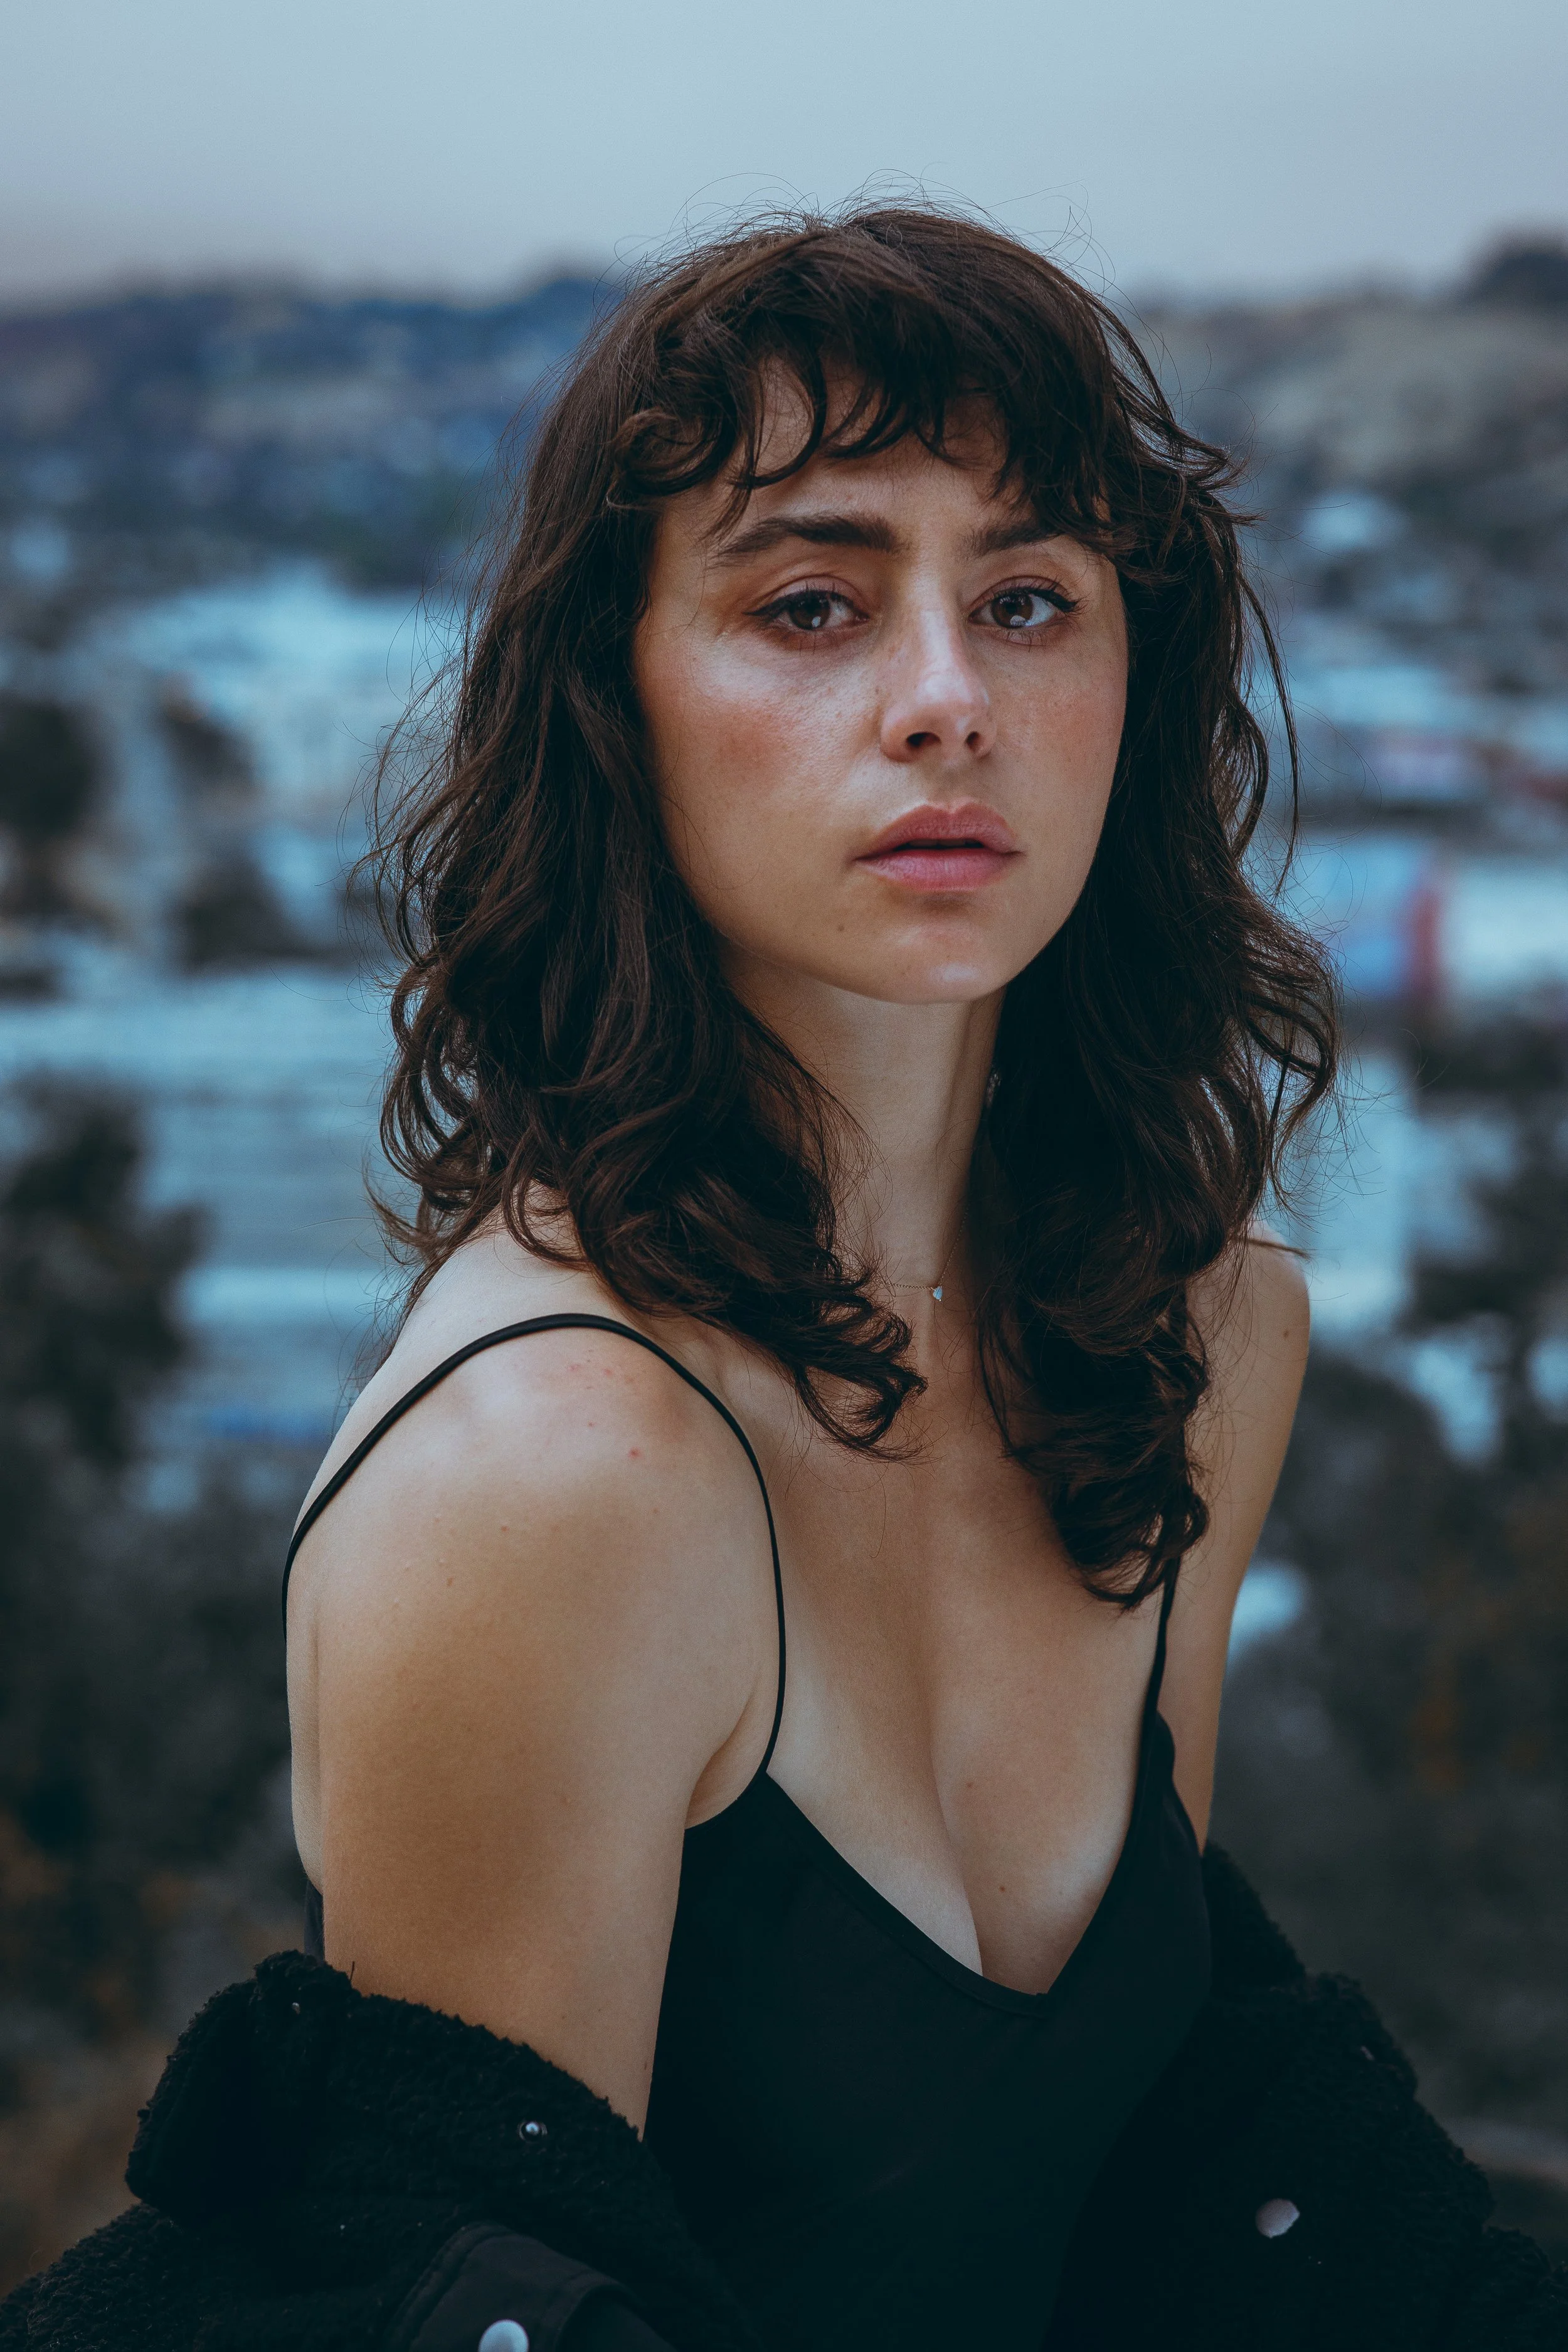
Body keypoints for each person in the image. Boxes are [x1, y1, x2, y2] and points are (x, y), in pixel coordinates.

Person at [6, 206, 1564, 2352]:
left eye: (1030, 599)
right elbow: (485, 2294)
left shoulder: (1201, 1330)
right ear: (616, 698)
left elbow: (1162, 2180)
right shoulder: (556, 1474)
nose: (946, 702)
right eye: (812, 602)